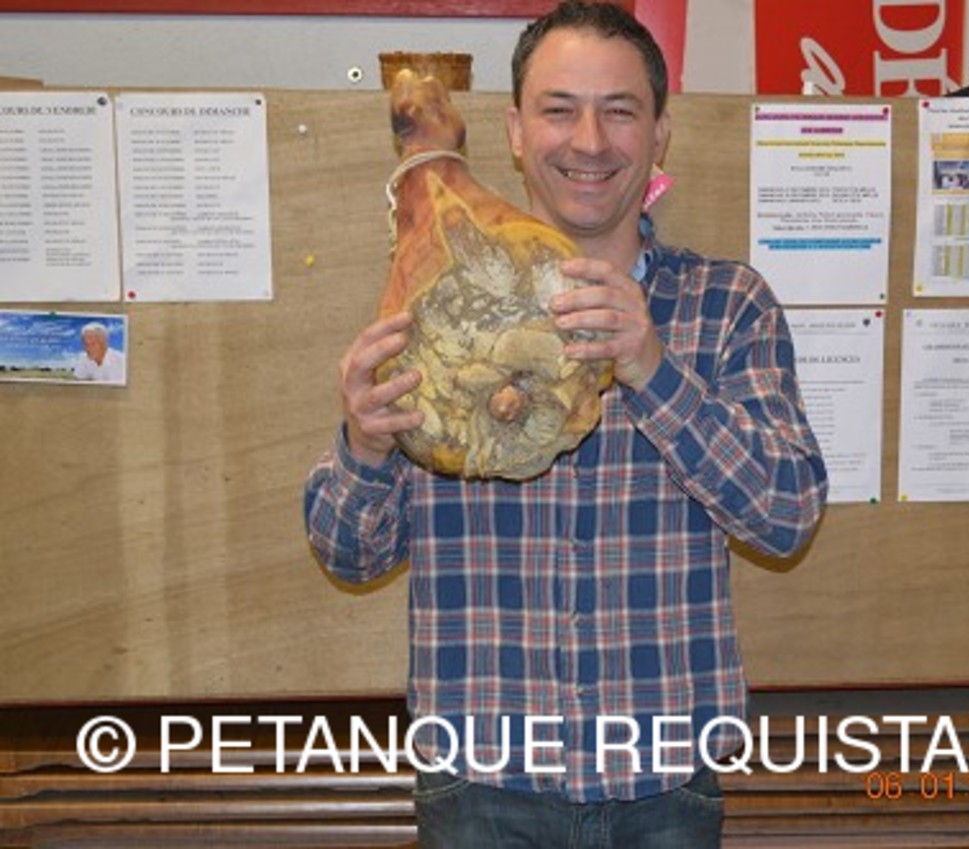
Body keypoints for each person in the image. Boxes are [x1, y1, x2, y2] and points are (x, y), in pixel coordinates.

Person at [304, 2, 827, 846]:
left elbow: (788, 513)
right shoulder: (432, 309)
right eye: (559, 109)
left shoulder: (727, 306)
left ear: (659, 135)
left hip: (663, 791)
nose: (589, 141)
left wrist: (653, 367)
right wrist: (364, 445)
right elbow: (349, 554)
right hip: (480, 793)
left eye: (620, 110)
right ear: (515, 132)